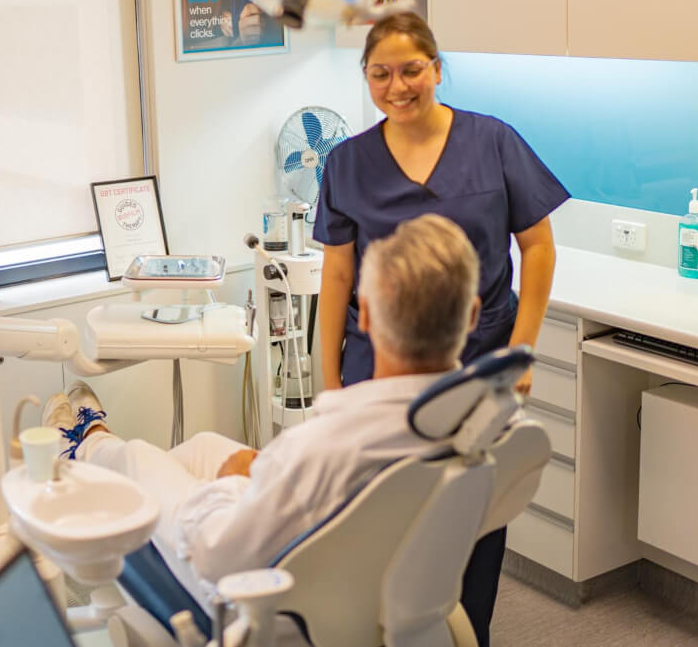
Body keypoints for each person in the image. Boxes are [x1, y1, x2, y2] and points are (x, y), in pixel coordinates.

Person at [51, 215, 480, 607]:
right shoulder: (481, 424)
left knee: (138, 457)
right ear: (473, 315)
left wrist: (229, 485)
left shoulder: (328, 443)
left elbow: (216, 555)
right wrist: (263, 473)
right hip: (370, 575)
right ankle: (94, 452)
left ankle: (85, 445)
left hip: (257, 595)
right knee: (203, 446)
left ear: (364, 315)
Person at [311, 13, 567, 646]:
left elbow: (538, 247)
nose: (397, 86)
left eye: (411, 70)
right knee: (383, 520)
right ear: (366, 77)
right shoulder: (346, 163)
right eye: (381, 74)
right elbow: (337, 276)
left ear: (437, 70)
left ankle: (470, 633)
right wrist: (329, 382)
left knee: (473, 512)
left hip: (481, 359)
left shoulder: (493, 141)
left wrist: (522, 351)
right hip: (379, 366)